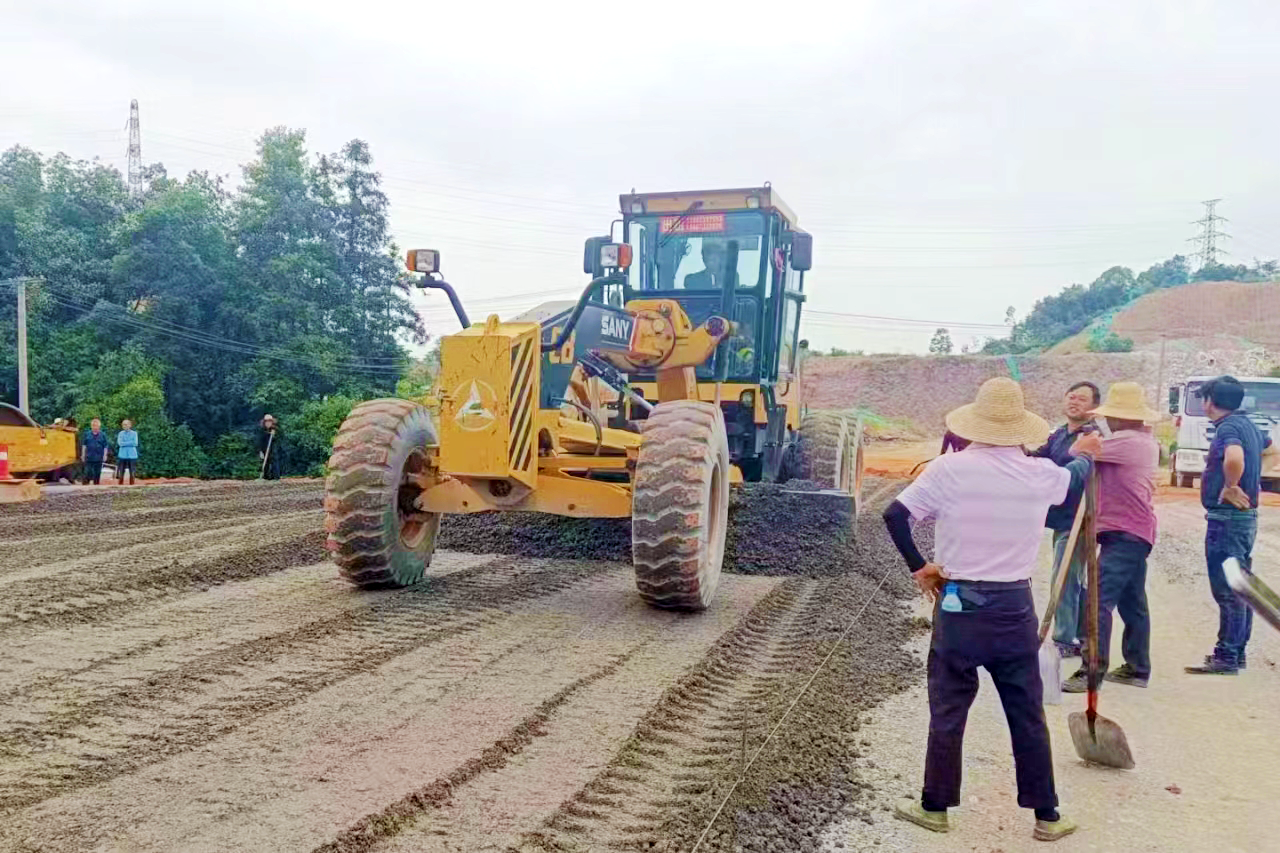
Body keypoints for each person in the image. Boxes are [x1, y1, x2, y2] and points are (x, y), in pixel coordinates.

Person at [883, 377, 1099, 843]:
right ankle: (1048, 816)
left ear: (974, 423)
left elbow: (894, 516)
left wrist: (921, 567)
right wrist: (1085, 454)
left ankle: (935, 807)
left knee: (948, 710)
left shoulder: (947, 469)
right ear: (1021, 429)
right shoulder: (1040, 473)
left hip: (959, 603)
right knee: (1026, 713)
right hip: (1012, 606)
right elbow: (1075, 479)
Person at [1062, 382, 1160, 692]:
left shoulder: (1126, 441)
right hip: (1135, 531)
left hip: (1125, 532)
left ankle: (1092, 671)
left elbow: (1074, 451)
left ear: (1117, 417)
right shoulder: (1143, 441)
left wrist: (1087, 439)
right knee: (1132, 602)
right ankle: (1136, 667)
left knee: (1096, 600)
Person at [1185, 376, 1274, 675]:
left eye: (1204, 398)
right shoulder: (1248, 424)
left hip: (1228, 518)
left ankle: (1226, 656)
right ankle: (1236, 653)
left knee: (1227, 589)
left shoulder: (1229, 428)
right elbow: (1271, 448)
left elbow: (1234, 456)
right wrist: (1254, 477)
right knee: (1240, 586)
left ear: (1210, 400)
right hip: (1245, 519)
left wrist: (1233, 485)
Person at [1031, 381, 1101, 658]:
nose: (1075, 402)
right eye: (1071, 396)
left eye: (1082, 399)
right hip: (1060, 517)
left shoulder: (1094, 436)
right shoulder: (1059, 434)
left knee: (1064, 578)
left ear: (1094, 406)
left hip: (1080, 518)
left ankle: (1064, 639)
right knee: (1071, 577)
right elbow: (1039, 458)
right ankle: (1080, 633)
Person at [81, 418, 110, 485]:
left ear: (99, 426)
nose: (95, 427)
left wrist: (105, 455)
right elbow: (84, 445)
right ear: (91, 426)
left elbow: (105, 446)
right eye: (93, 425)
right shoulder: (87, 434)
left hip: (99, 457)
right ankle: (85, 485)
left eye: (96, 425)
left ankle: (96, 486)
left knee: (97, 473)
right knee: (87, 472)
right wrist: (82, 455)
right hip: (89, 456)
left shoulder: (103, 435)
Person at [258, 414, 284, 480]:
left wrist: (274, 435)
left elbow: (279, 438)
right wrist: (260, 451)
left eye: (269, 421)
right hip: (264, 448)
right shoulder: (261, 430)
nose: (268, 423)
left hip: (273, 448)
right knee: (266, 462)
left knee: (274, 461)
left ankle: (276, 477)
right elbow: (259, 441)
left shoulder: (275, 429)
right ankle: (266, 477)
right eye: (266, 421)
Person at [116, 419, 139, 485]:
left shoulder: (134, 433)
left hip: (132, 455)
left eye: (126, 424)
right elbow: (120, 443)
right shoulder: (120, 433)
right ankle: (120, 484)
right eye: (123, 425)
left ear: (130, 425)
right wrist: (130, 443)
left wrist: (125, 443)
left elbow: (135, 443)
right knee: (121, 471)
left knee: (132, 471)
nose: (125, 426)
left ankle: (132, 484)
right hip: (122, 455)